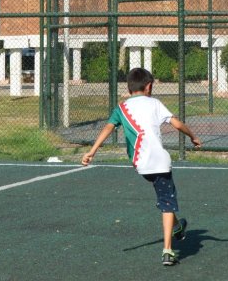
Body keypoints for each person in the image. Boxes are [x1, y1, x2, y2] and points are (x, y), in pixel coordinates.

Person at [82, 68, 202, 267]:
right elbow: (177, 124)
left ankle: (178, 227)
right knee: (167, 204)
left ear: (129, 88)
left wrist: (91, 152)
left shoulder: (121, 108)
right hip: (160, 163)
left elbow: (108, 128)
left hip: (141, 165)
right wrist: (194, 137)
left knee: (165, 198)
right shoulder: (155, 103)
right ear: (149, 87)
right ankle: (168, 251)